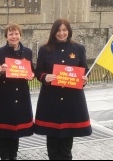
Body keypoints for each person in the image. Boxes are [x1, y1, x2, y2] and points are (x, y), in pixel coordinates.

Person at [34, 18, 91, 160]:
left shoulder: (78, 49)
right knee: (52, 147)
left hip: (70, 103)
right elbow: (38, 71)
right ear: (53, 32)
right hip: (51, 101)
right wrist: (44, 77)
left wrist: (84, 79)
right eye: (58, 30)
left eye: (64, 30)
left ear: (69, 31)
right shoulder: (44, 49)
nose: (61, 33)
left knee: (66, 148)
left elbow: (84, 70)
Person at [0, 24, 34, 160]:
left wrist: (31, 75)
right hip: (4, 96)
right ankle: (4, 157)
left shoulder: (28, 52)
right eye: (10, 34)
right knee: (3, 131)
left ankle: (13, 157)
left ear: (20, 35)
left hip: (20, 95)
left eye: (16, 34)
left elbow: (31, 71)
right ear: (6, 36)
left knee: (16, 130)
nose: (14, 36)